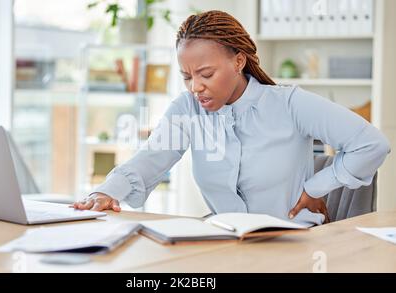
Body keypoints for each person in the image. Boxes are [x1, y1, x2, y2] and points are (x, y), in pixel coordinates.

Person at [73, 10, 390, 226]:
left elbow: (371, 144)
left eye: (206, 74)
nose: (196, 87)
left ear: (239, 61)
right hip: (224, 241)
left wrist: (316, 186)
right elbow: (150, 159)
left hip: (295, 247)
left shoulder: (290, 103)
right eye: (186, 77)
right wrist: (106, 191)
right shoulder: (188, 109)